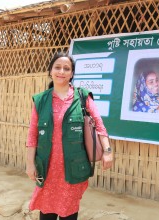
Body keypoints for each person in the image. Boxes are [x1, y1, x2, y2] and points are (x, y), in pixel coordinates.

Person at [25, 52, 114, 220]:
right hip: (48, 168)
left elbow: (100, 125)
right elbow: (32, 135)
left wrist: (108, 151)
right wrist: (30, 164)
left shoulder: (82, 97)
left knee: (69, 214)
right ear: (50, 70)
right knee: (46, 213)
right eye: (57, 67)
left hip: (73, 169)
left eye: (67, 68)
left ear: (72, 74)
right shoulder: (40, 101)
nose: (61, 71)